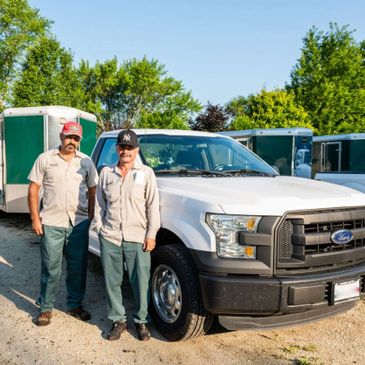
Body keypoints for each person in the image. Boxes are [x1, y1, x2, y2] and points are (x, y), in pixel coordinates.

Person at [92, 129, 160, 341]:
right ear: (117, 148)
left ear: (136, 149)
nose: (126, 151)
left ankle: (141, 322)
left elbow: (153, 206)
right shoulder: (106, 173)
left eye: (130, 147)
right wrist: (100, 229)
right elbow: (99, 204)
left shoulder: (146, 173)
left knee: (140, 282)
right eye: (122, 146)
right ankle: (118, 320)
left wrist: (151, 234)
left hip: (137, 237)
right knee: (112, 282)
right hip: (110, 236)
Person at [28, 121, 98, 326]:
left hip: (79, 223)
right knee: (51, 267)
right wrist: (35, 218)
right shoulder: (45, 159)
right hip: (51, 222)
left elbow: (93, 190)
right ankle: (45, 308)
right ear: (61, 136)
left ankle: (75, 305)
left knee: (77, 267)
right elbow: (33, 189)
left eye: (76, 139)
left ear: (79, 141)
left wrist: (91, 216)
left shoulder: (86, 162)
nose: (72, 142)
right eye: (69, 137)